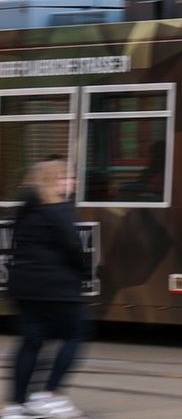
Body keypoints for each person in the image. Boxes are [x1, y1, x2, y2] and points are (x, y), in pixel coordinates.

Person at [6, 159, 88, 419]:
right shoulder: (59, 210)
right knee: (75, 335)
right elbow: (74, 247)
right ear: (55, 181)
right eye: (68, 177)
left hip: (25, 287)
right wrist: (84, 273)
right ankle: (49, 395)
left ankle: (16, 405)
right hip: (58, 287)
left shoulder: (25, 210)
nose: (73, 182)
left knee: (31, 342)